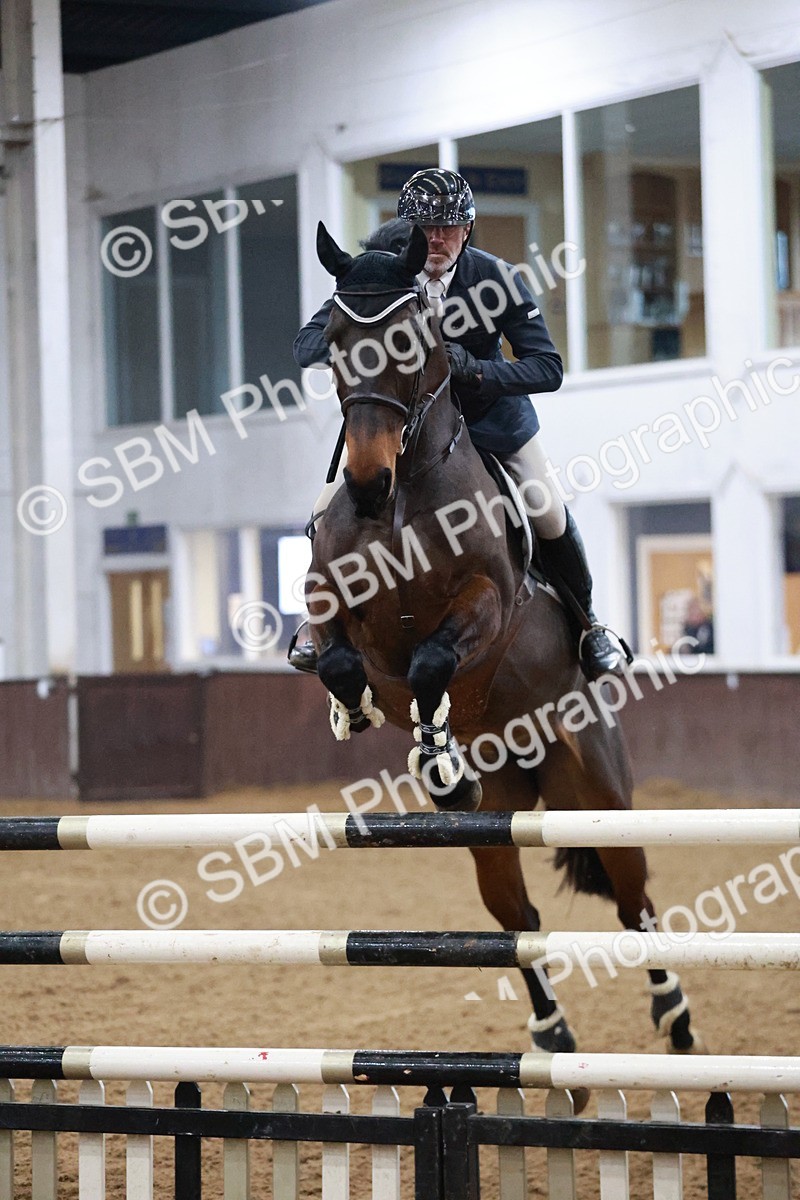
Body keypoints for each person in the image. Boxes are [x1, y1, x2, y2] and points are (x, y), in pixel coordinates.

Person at [289, 168, 626, 681]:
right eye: (425, 227)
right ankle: (317, 627)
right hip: (401, 430)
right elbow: (307, 344)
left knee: (546, 508)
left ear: (467, 229)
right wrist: (352, 336)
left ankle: (589, 625)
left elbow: (548, 367)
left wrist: (478, 370)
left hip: (492, 424)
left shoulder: (496, 279)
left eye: (448, 227)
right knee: (323, 511)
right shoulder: (382, 275)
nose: (437, 239)